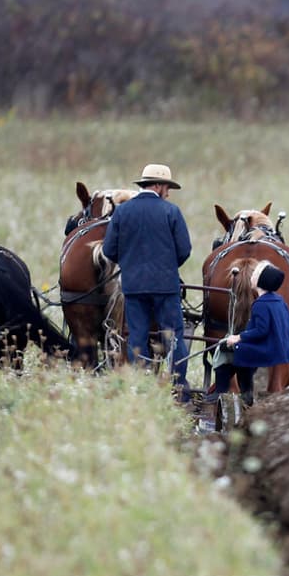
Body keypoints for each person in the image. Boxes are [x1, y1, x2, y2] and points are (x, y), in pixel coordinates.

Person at [102, 163, 192, 400]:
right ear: (159, 186)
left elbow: (109, 249)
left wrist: (130, 265)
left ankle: (141, 390)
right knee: (173, 336)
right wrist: (167, 267)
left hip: (133, 287)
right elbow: (184, 250)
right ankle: (179, 388)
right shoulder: (171, 212)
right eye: (168, 188)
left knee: (137, 337)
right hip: (166, 287)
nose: (169, 193)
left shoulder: (121, 212)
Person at [213, 260, 289, 405]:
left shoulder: (260, 304)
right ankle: (245, 391)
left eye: (255, 274)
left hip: (267, 349)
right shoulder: (278, 300)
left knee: (226, 351)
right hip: (280, 349)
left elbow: (261, 330)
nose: (251, 276)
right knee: (242, 352)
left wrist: (238, 337)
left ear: (260, 281)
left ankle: (224, 392)